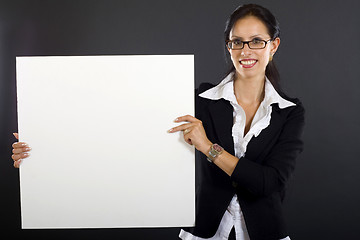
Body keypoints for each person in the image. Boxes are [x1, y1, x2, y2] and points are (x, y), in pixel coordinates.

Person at [12, 4, 305, 240]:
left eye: (256, 41)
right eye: (237, 42)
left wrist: (207, 147)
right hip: (203, 232)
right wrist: (42, 144)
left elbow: (269, 183)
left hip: (266, 232)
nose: (246, 51)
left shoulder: (289, 112)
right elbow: (121, 126)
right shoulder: (200, 101)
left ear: (273, 45)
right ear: (228, 46)